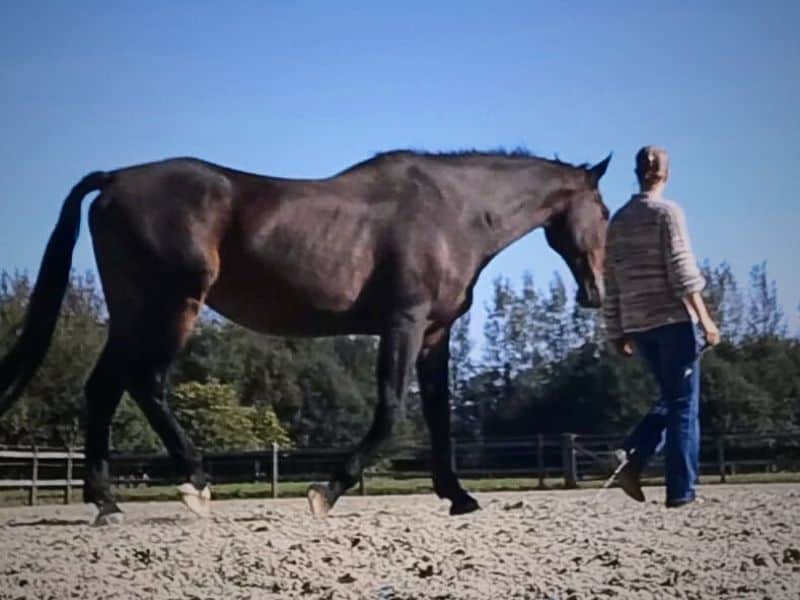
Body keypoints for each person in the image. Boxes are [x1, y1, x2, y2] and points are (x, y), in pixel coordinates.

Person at [603, 146, 721, 508]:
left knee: (672, 399)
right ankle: (681, 493)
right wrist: (706, 320)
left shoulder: (618, 221)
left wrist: (615, 330)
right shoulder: (668, 213)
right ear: (665, 174)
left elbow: (611, 279)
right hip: (672, 321)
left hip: (638, 326)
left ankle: (633, 457)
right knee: (684, 406)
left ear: (638, 173)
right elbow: (682, 270)